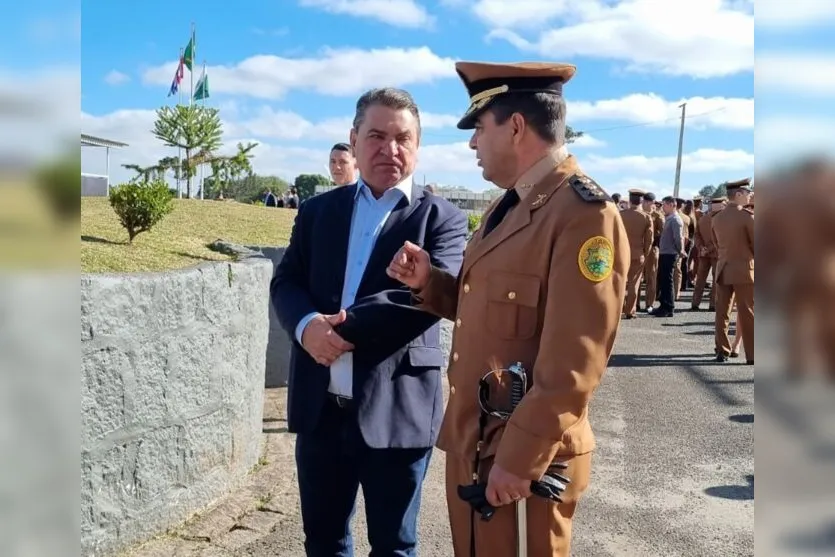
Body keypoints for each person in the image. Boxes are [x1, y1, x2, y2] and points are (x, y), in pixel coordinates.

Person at [387, 60, 629, 557]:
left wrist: (520, 459)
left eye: (479, 127)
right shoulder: (509, 207)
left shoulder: (583, 215)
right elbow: (494, 311)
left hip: (521, 461)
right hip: (477, 444)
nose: (473, 143)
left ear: (515, 126)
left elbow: (574, 365)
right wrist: (430, 283)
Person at [271, 87, 468, 556]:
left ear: (418, 146)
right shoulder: (318, 211)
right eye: (377, 136)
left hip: (397, 413)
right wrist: (304, 327)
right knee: (323, 541)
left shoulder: (443, 219)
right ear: (354, 139)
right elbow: (287, 282)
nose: (390, 149)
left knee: (395, 546)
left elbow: (421, 301)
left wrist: (331, 331)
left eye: (403, 138)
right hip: (321, 411)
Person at [712, 178, 754, 363]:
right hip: (744, 270)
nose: (750, 196)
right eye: (747, 193)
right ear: (738, 194)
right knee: (747, 313)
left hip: (723, 269)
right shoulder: (746, 217)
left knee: (722, 312)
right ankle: (752, 355)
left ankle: (722, 350)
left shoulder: (716, 218)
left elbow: (716, 244)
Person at [620, 188, 653, 318]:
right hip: (638, 253)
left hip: (621, 253)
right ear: (641, 201)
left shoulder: (620, 215)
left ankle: (619, 308)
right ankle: (630, 310)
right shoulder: (646, 217)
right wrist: (645, 253)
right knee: (634, 283)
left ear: (630, 199)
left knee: (621, 282)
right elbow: (649, 239)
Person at [654, 195, 684, 317]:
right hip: (664, 252)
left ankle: (668, 307)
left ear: (672, 205)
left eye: (664, 205)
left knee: (667, 281)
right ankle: (663, 305)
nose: (662, 208)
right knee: (663, 280)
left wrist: (679, 251)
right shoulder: (669, 218)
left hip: (670, 253)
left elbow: (678, 238)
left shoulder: (676, 220)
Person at [642, 192, 663, 312]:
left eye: (648, 202)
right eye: (644, 201)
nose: (645, 204)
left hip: (652, 249)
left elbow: (663, 233)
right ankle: (634, 304)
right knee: (637, 277)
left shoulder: (657, 215)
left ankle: (649, 303)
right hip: (639, 248)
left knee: (651, 276)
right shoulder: (639, 214)